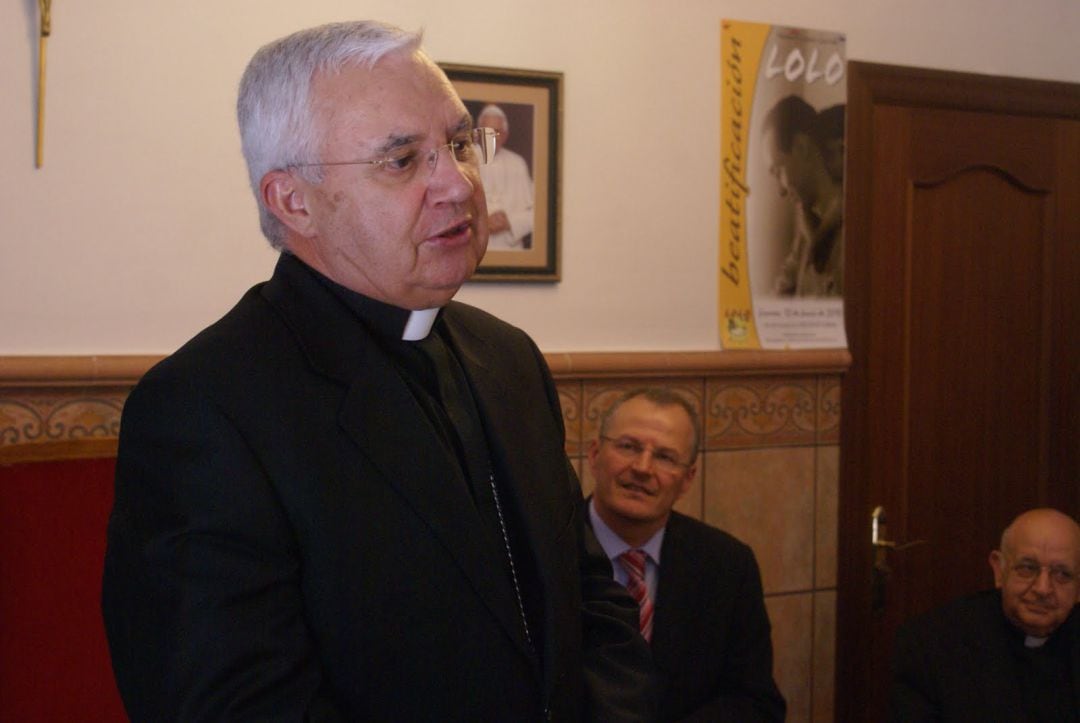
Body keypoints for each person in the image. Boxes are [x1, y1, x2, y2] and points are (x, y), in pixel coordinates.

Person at [101, 21, 656, 722]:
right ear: (293, 201)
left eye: (458, 145)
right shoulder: (206, 408)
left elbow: (590, 602)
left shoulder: (509, 358)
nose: (458, 184)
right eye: (402, 161)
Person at [585, 388, 786, 721]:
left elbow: (756, 702)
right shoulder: (543, 552)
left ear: (688, 479)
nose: (642, 467)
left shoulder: (728, 566)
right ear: (594, 455)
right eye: (628, 446)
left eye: (665, 457)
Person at [890, 508, 1080, 722]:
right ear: (999, 570)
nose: (1043, 588)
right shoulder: (930, 644)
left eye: (1062, 574)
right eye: (1028, 568)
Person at [762, 95, 845, 297]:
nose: (781, 191)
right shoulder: (805, 221)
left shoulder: (857, 231)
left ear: (801, 147)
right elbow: (781, 290)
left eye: (779, 170)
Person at [477, 104, 535, 249]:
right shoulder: (464, 161)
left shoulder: (517, 163)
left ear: (505, 135)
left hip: (510, 250)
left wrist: (510, 221)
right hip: (475, 247)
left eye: (496, 132)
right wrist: (483, 223)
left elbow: (538, 215)